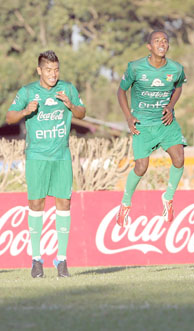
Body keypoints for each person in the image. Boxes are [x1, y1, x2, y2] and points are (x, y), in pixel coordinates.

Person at [6, 50, 86, 278]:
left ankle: (62, 261)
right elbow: (10, 117)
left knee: (64, 203)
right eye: (48, 70)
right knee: (36, 204)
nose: (53, 74)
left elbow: (82, 112)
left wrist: (70, 104)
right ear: (39, 70)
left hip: (61, 156)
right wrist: (25, 111)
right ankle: (36, 260)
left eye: (56, 69)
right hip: (37, 157)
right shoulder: (28, 91)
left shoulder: (67, 88)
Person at [116, 30, 187, 226]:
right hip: (143, 125)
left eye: (165, 40)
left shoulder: (176, 69)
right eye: (157, 41)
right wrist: (128, 117)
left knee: (179, 158)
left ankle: (168, 198)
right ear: (149, 46)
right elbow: (121, 91)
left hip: (166, 123)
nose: (161, 43)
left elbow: (179, 86)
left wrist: (171, 106)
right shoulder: (135, 67)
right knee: (141, 167)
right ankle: (125, 205)